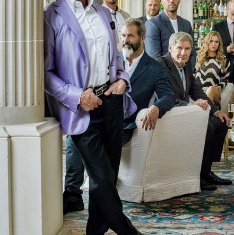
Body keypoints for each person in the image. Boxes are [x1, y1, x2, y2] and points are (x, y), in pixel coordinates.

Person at [44, 0, 142, 234]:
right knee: (100, 177)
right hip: (81, 107)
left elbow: (116, 56)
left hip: (111, 101)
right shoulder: (51, 16)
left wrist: (122, 80)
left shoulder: (102, 13)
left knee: (109, 176)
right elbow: (46, 73)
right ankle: (127, 231)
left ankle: (94, 232)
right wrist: (77, 96)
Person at [62, 18, 177, 214]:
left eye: (130, 36)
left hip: (125, 124)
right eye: (123, 35)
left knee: (101, 156)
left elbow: (168, 95)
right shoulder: (110, 62)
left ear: (142, 38)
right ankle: (72, 194)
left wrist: (156, 108)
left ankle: (105, 201)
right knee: (75, 137)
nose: (125, 40)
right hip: (99, 116)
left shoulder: (155, 68)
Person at [157, 32, 232, 191]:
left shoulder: (186, 65)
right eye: (179, 48)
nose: (183, 53)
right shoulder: (161, 64)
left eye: (187, 49)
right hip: (168, 114)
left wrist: (216, 111)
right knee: (207, 127)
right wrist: (190, 106)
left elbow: (197, 91)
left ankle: (206, 171)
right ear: (170, 48)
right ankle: (198, 176)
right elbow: (164, 96)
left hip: (183, 113)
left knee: (220, 122)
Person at [145, 0, 196, 68]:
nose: (171, 0)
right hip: (164, 76)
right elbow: (154, 57)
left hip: (185, 75)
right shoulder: (153, 24)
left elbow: (192, 53)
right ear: (162, 1)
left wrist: (187, 71)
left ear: (179, 0)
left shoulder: (186, 24)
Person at [194, 31, 232, 108]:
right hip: (200, 92)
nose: (213, 44)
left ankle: (206, 112)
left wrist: (218, 87)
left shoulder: (224, 60)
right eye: (211, 41)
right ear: (206, 42)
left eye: (216, 42)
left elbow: (226, 79)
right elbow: (193, 76)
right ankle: (209, 112)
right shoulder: (198, 58)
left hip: (215, 92)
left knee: (211, 89)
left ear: (219, 44)